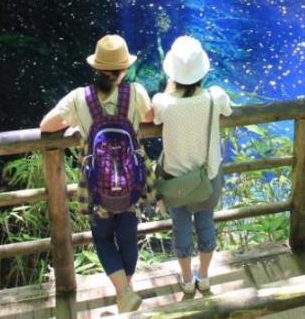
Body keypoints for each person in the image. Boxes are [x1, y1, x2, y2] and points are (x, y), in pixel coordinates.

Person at [40, 34, 153, 313]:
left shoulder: (81, 98)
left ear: (96, 67)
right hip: (129, 182)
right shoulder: (135, 92)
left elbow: (46, 125)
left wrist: (77, 126)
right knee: (128, 236)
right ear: (124, 68)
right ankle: (125, 293)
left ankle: (124, 293)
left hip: (96, 186)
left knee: (102, 238)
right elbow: (151, 118)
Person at [152, 36, 233, 296]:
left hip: (176, 182)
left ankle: (187, 280)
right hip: (207, 177)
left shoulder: (163, 102)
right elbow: (229, 111)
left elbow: (156, 115)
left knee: (181, 228)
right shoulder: (215, 96)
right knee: (206, 223)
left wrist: (169, 88)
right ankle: (205, 276)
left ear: (172, 73)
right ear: (202, 72)